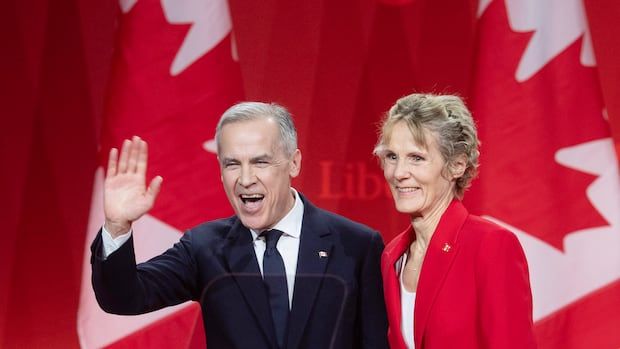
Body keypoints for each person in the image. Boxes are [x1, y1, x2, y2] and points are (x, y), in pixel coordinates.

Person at [91, 102, 389, 349]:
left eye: (260, 162)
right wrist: (117, 226)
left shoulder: (356, 245)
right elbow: (123, 298)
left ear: (293, 163)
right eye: (232, 164)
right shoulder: (204, 248)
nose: (245, 179)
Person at [374, 93, 536, 349]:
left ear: (457, 165)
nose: (398, 173)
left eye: (417, 158)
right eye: (392, 157)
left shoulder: (491, 246)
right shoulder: (392, 256)